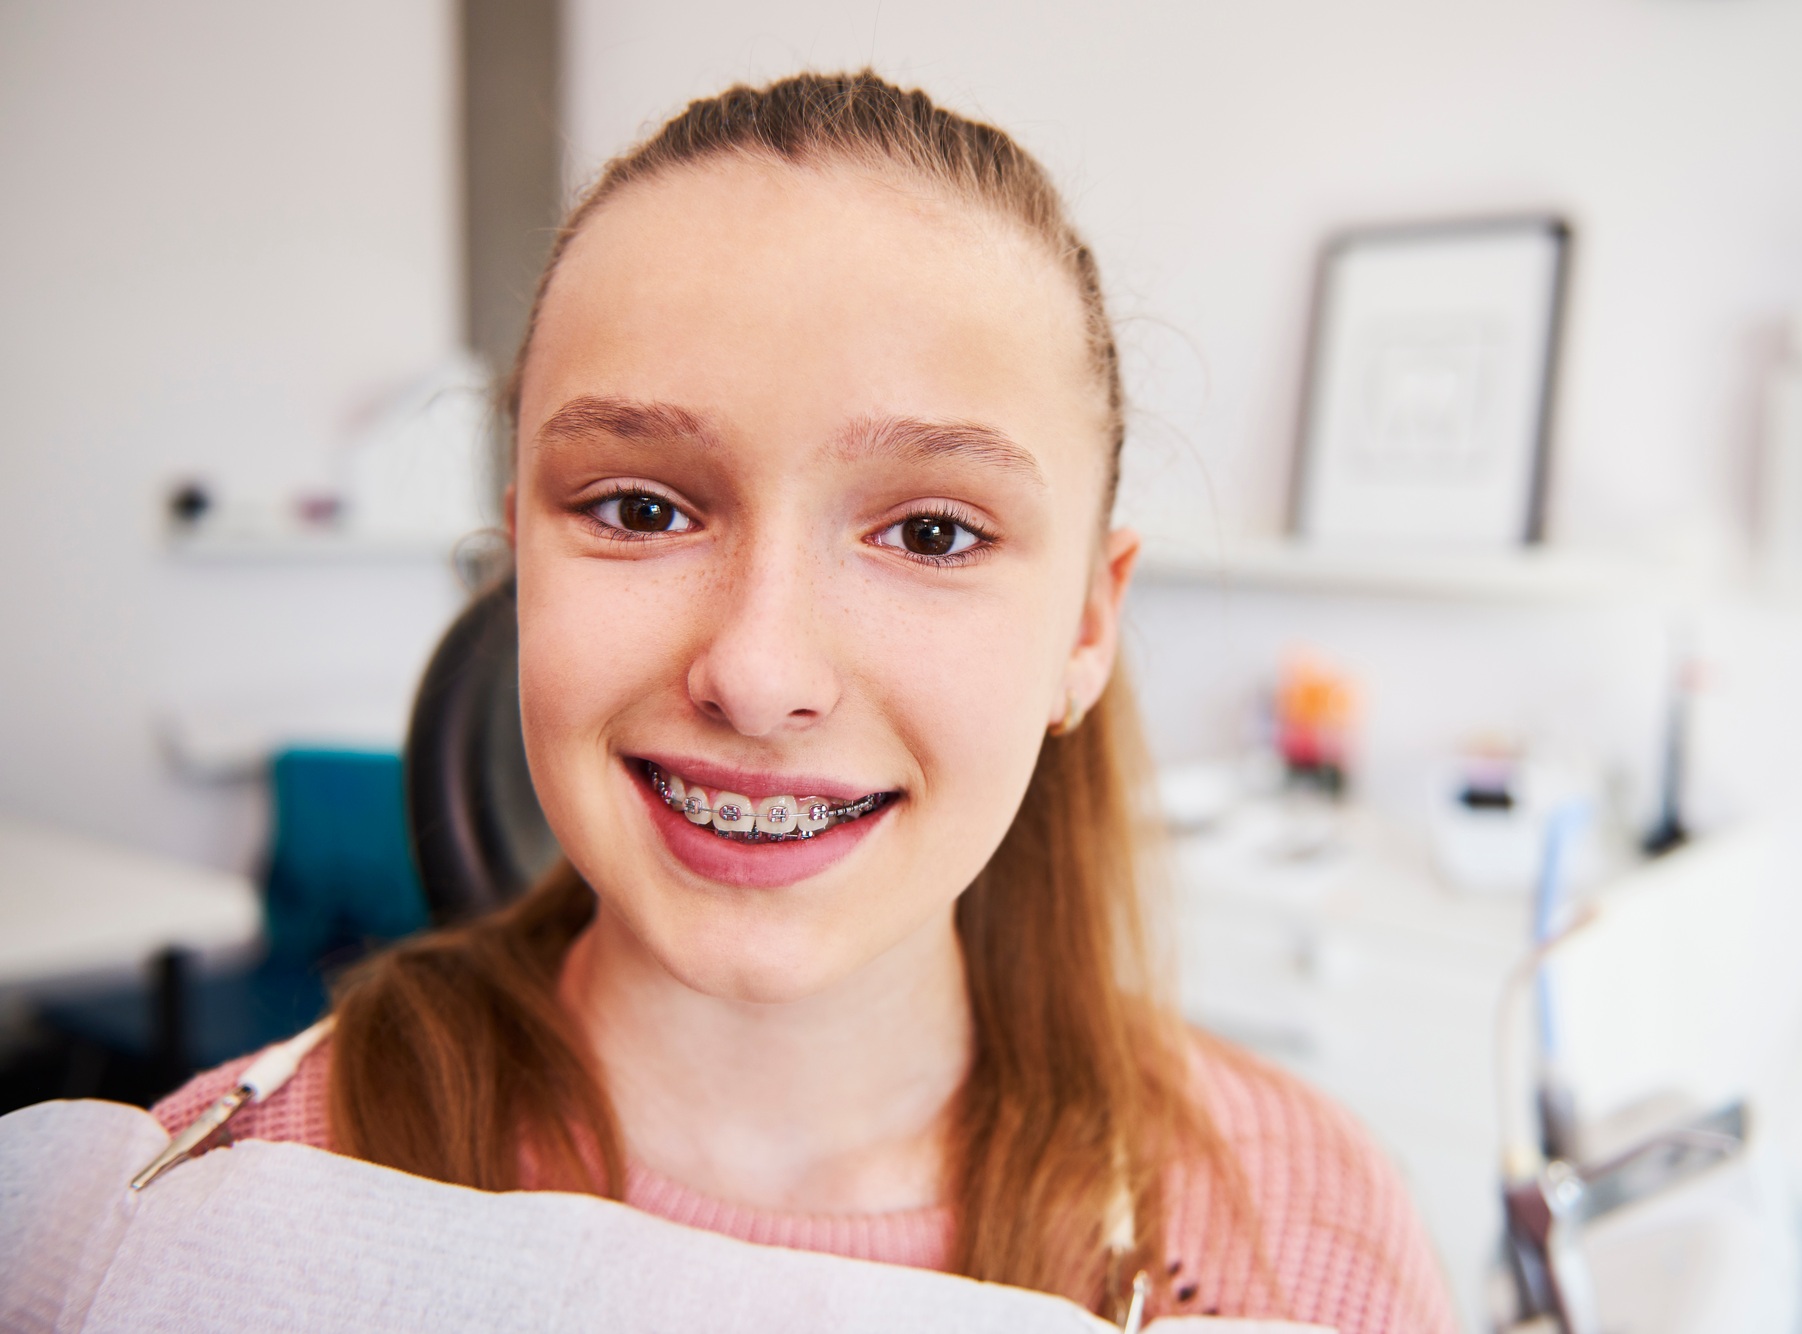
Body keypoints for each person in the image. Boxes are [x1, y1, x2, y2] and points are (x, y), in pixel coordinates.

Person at [157, 71, 1455, 1331]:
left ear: (1085, 623)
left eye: (933, 534)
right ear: (522, 564)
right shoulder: (208, 1207)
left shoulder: (1309, 1239)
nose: (760, 673)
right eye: (639, 509)